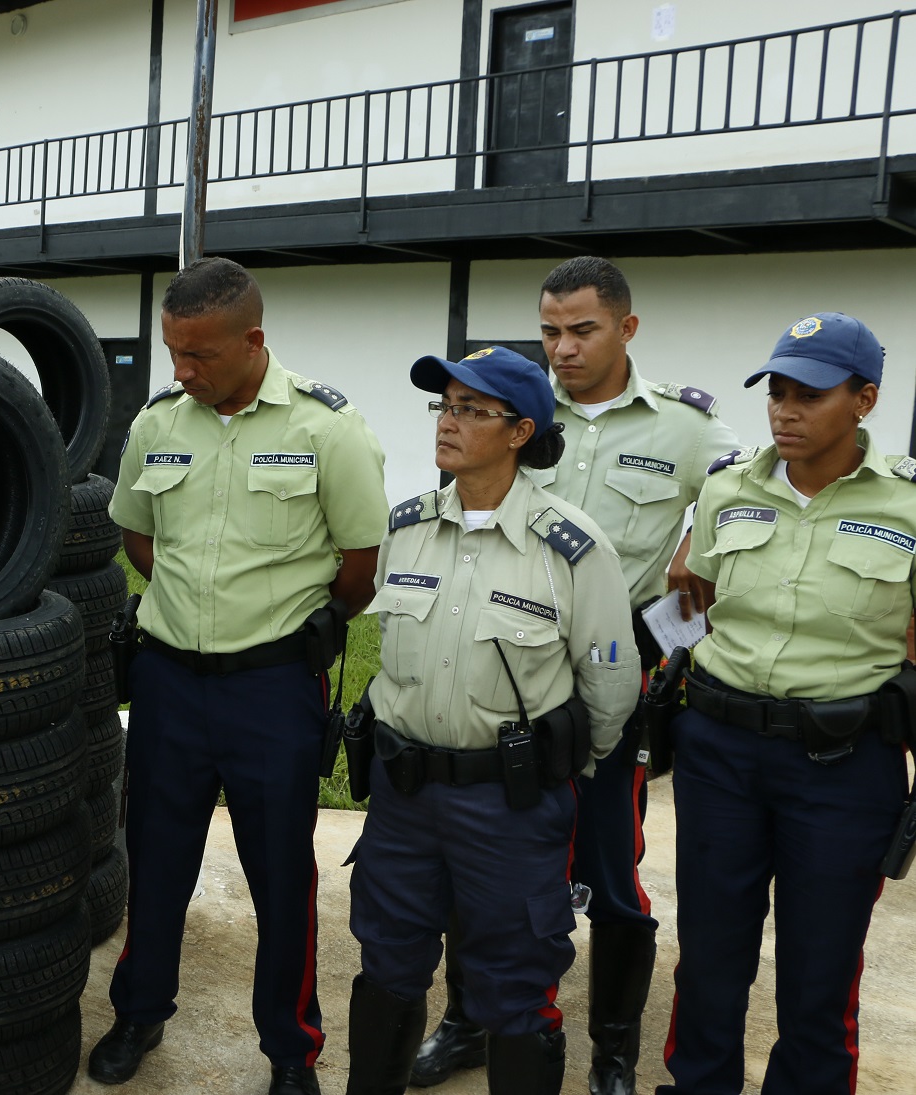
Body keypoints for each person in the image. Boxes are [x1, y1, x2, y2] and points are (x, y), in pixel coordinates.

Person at [411, 257, 739, 1095]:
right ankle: (470, 1020)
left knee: (609, 868)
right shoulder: (517, 408)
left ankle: (612, 1050)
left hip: (612, 670)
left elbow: (756, 489)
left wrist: (702, 540)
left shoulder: (686, 428)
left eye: (581, 329)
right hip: (503, 665)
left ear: (626, 328)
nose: (561, 347)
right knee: (481, 856)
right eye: (551, 329)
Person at [91, 256, 390, 1095]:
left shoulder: (327, 430)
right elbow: (138, 537)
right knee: (154, 857)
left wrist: (279, 625)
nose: (183, 372)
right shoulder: (158, 423)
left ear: (253, 340)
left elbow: (359, 566)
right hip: (168, 683)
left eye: (201, 356)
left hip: (272, 689)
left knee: (279, 874)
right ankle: (140, 1010)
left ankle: (291, 1049)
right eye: (173, 353)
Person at [346, 346, 639, 1095]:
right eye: (444, 405)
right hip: (404, 796)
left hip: (507, 804)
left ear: (519, 431)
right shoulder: (407, 526)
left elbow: (610, 684)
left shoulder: (571, 549)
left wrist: (553, 767)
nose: (448, 421)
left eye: (471, 410)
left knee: (515, 982)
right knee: (386, 960)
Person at [663, 313, 914, 1094]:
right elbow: (691, 593)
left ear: (864, 399)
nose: (786, 410)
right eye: (777, 391)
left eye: (810, 394)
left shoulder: (908, 504)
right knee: (709, 955)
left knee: (820, 968)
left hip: (842, 766)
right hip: (720, 753)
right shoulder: (728, 486)